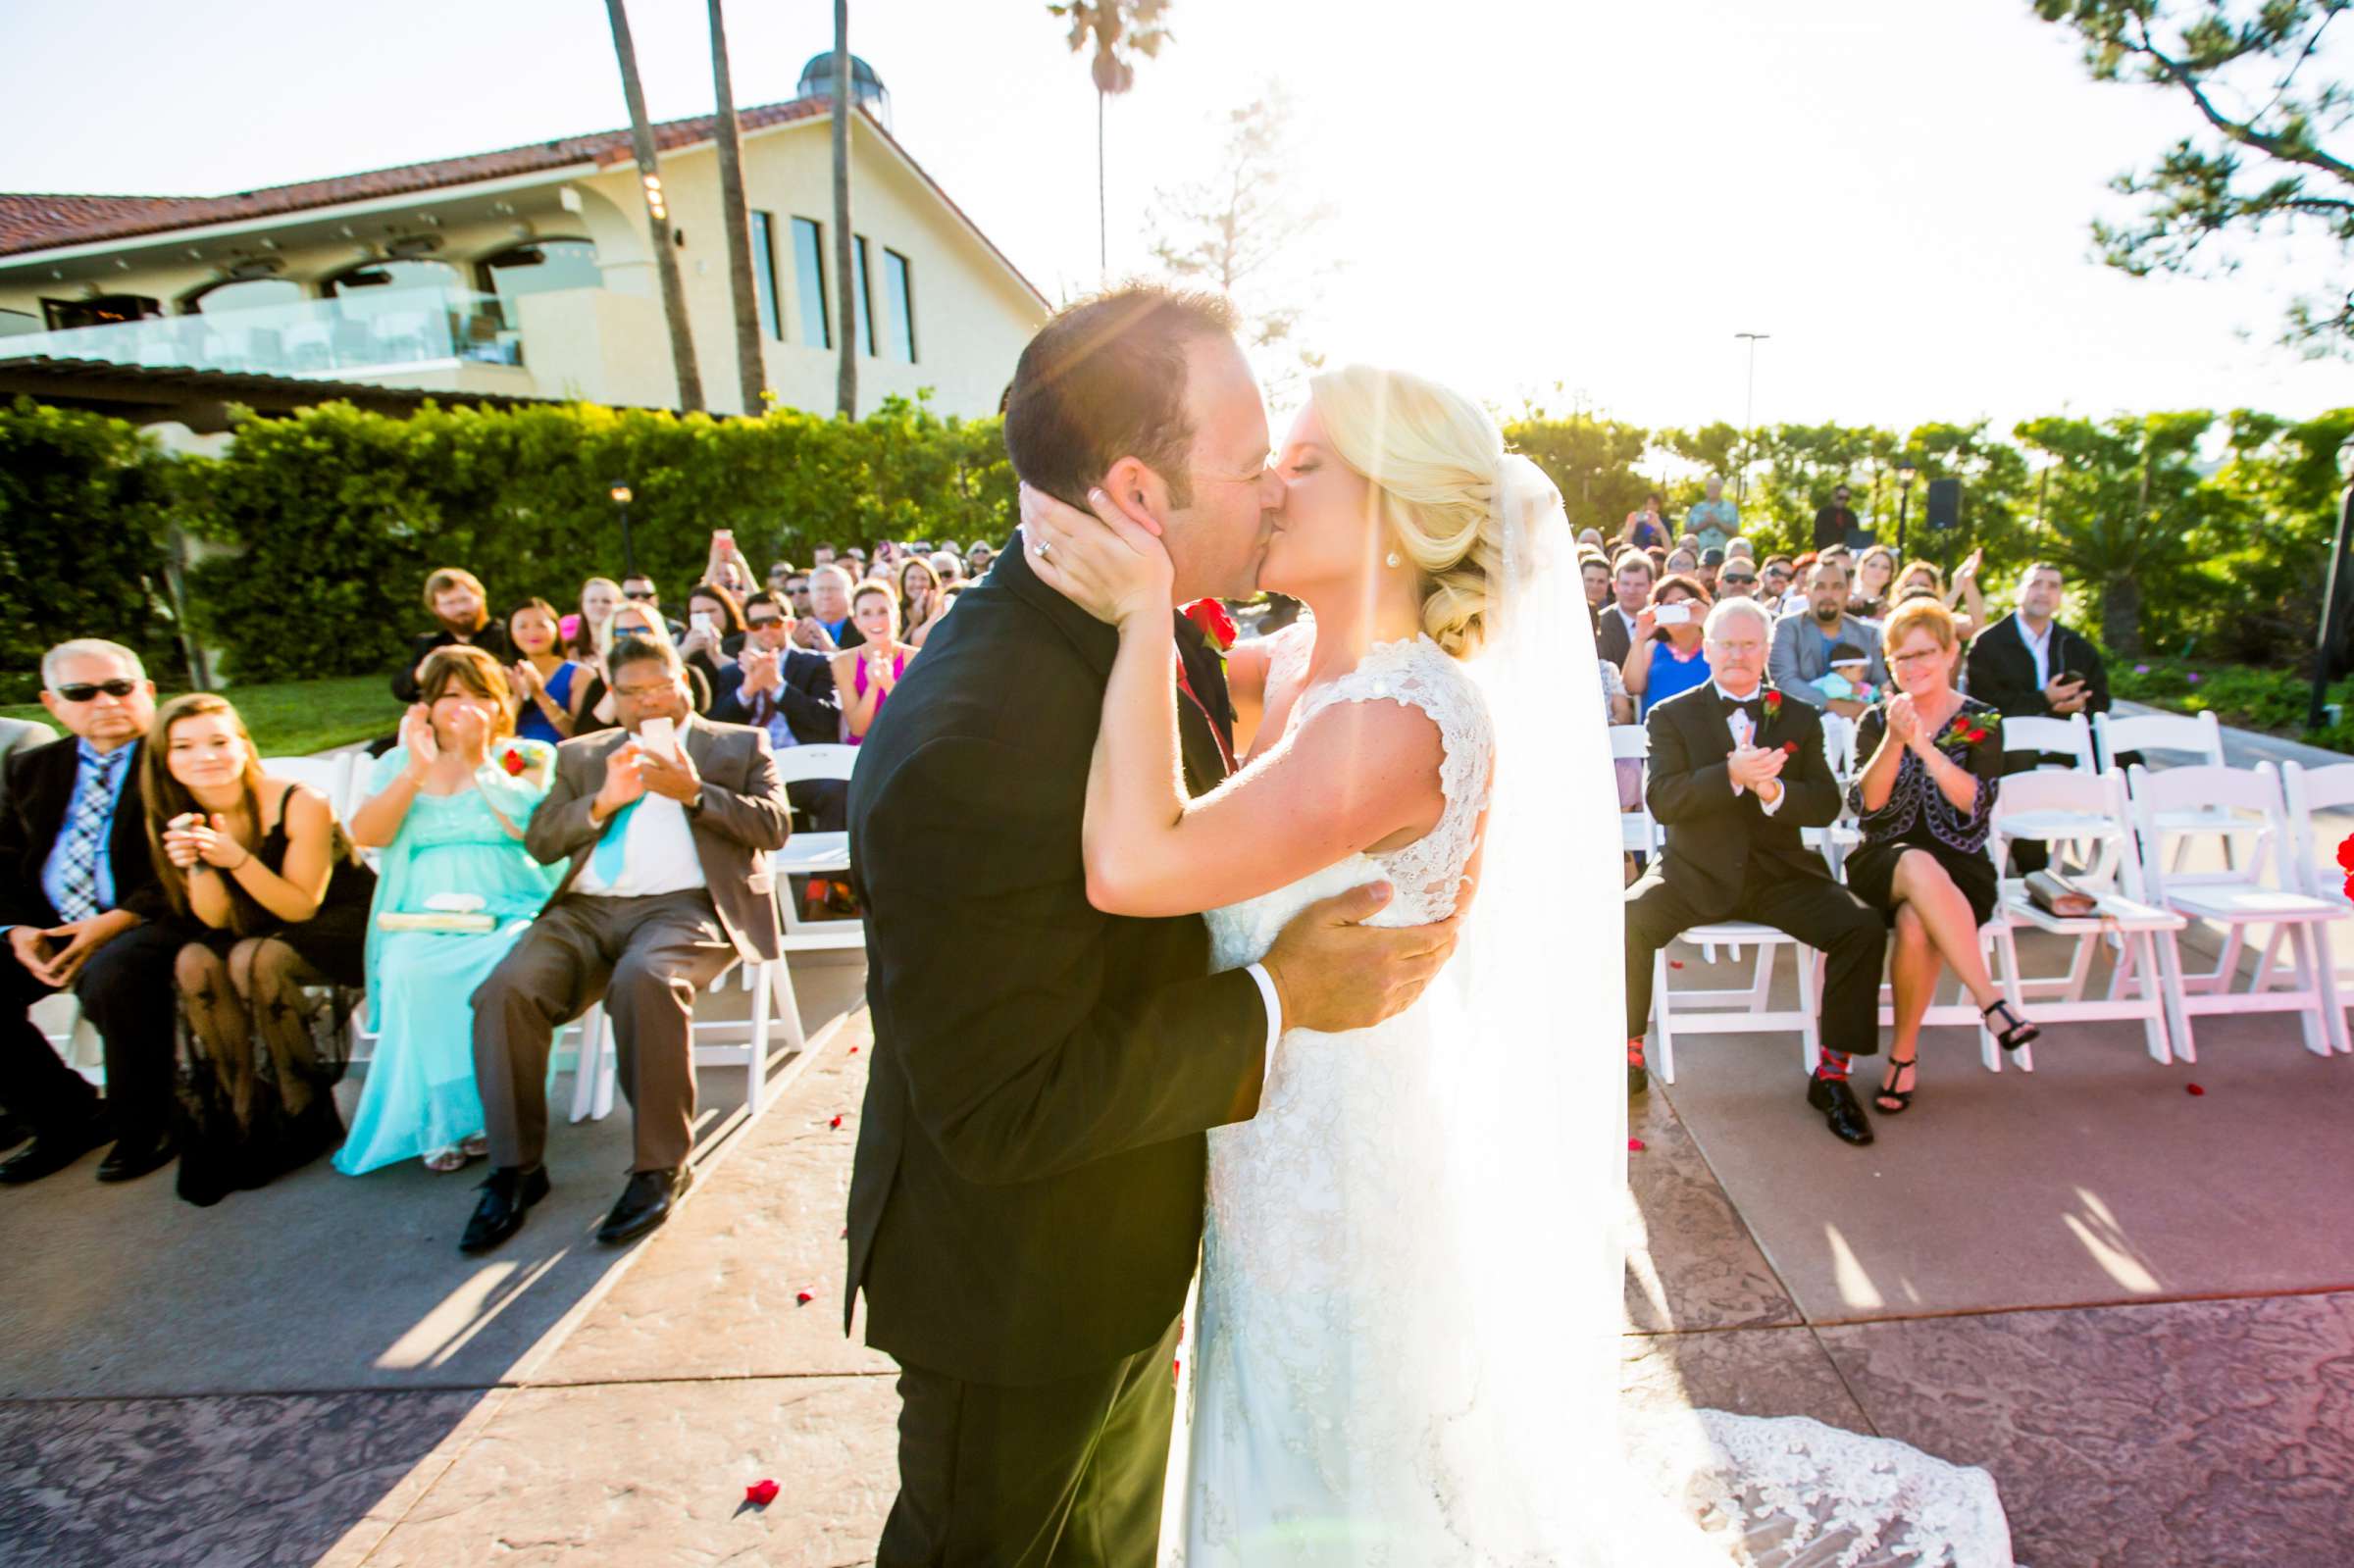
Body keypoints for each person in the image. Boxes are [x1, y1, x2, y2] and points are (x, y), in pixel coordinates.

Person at [1012, 338, 2009, 1560]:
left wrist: (1136, 617)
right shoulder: (1292, 671)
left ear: (1401, 514)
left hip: (1339, 1181)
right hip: (1266, 1148)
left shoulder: (1400, 717)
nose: (1270, 482)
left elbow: (1133, 867)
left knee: (1338, 1488)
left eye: (1307, 461)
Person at [461, 633, 791, 1254]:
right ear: (613, 697)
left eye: (661, 685)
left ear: (684, 680)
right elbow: (541, 841)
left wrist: (695, 794)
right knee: (504, 992)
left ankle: (660, 1165)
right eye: (633, 692)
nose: (650, 701)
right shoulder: (582, 754)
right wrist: (602, 802)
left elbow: (773, 826)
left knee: (646, 980)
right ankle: (516, 1168)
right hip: (584, 913)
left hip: (686, 908)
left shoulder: (736, 743)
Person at [1626, 599, 1889, 1146]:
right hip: (1692, 872)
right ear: (1708, 647)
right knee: (1627, 917)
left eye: (1750, 645)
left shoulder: (1798, 715)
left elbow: (1822, 805)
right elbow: (1663, 801)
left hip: (1780, 876)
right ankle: (1629, 1054)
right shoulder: (1670, 714)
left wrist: (1774, 790)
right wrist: (1727, 774)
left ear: (1767, 651)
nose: (1738, 655)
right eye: (1726, 644)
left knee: (1861, 926)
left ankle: (1833, 1074)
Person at [145, 694, 377, 1205]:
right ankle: (244, 1112)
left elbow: (300, 907)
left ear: (242, 746)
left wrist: (233, 858)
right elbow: (215, 919)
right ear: (164, 757)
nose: (205, 756)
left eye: (218, 741)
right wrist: (200, 866)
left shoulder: (300, 801)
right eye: (184, 746)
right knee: (194, 962)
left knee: (256, 959)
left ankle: (304, 1109)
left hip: (336, 918)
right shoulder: (171, 814)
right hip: (249, 921)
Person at [339, 648, 562, 1174]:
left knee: (503, 966)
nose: (466, 707)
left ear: (501, 702)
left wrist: (482, 760)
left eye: (481, 694)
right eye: (452, 696)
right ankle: (440, 1118)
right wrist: (414, 772)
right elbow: (368, 834)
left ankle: (490, 1108)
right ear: (428, 705)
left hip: (510, 902)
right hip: (420, 911)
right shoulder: (399, 761)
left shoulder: (524, 756)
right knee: (411, 970)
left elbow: (528, 833)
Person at [0, 641, 186, 1185]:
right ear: (51, 704)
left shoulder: (178, 754)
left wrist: (118, 920)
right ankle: (66, 1116)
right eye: (82, 692)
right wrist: (16, 930)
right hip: (55, 923)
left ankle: (148, 1121)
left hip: (158, 918)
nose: (104, 702)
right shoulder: (33, 768)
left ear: (147, 691)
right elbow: (4, 858)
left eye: (119, 687)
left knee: (114, 973)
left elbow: (195, 858)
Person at [1845, 600, 2039, 1120]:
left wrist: (1926, 749)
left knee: (1916, 925)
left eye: (1924, 654)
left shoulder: (1982, 721)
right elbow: (1866, 805)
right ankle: (1991, 1002)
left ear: (1951, 652)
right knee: (1915, 866)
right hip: (1882, 865)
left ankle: (1902, 1057)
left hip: (1963, 871)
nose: (1912, 667)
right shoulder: (1875, 719)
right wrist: (1894, 736)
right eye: (1899, 658)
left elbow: (1976, 803)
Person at [712, 590, 845, 831]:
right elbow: (717, 726)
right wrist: (747, 690)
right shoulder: (732, 673)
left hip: (805, 766)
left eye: (772, 622)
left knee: (838, 792)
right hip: (750, 773)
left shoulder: (816, 663)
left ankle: (829, 869)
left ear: (790, 624)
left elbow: (826, 719)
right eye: (756, 624)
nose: (765, 630)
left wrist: (777, 686)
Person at [1771, 558, 1890, 721]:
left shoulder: (1868, 633)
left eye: (1837, 587)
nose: (1828, 594)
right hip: (1802, 725)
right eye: (1820, 587)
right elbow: (1784, 681)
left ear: (1848, 592)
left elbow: (1882, 684)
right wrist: (1833, 705)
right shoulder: (1789, 628)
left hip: (1860, 729)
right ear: (1807, 592)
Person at [392, 568, 509, 705]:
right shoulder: (431, 644)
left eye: (465, 600)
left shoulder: (508, 635)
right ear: (436, 608)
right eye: (449, 603)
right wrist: (420, 674)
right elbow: (401, 689)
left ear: (480, 598)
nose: (460, 609)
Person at [1621, 573, 1714, 718]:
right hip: (1660, 731)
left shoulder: (1714, 643)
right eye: (1669, 604)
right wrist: (1639, 638)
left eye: (1682, 601)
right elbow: (1631, 688)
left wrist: (1708, 623)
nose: (1676, 607)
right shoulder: (1652, 647)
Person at [832, 583, 915, 744]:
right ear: (857, 622)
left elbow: (914, 720)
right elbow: (857, 729)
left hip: (906, 745)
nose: (876, 620)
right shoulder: (842, 662)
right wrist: (872, 687)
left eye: (883, 611)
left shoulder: (916, 657)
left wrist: (889, 684)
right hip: (862, 750)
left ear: (896, 616)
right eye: (866, 613)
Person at [507, 598, 585, 745]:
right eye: (522, 626)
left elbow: (577, 735)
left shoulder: (579, 674)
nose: (532, 633)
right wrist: (517, 697)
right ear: (511, 633)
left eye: (541, 625)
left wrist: (539, 694)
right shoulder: (503, 674)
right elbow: (495, 732)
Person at [679, 581, 748, 695]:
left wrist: (716, 656)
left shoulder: (744, 639)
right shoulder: (683, 639)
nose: (706, 618)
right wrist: (685, 650)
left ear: (727, 611)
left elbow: (746, 678)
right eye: (697, 613)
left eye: (711, 611)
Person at [1594, 547, 1656, 667]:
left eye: (1639, 584)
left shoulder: (1661, 621)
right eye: (1625, 584)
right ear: (1615, 585)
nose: (1631, 591)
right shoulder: (1600, 623)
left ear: (1651, 586)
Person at [795, 564, 865, 653]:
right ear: (810, 594)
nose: (826, 595)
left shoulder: (865, 628)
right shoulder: (798, 632)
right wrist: (797, 648)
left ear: (849, 594)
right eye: (819, 589)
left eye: (833, 589)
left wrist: (830, 650)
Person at [896, 556, 949, 649]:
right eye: (912, 578)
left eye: (923, 579)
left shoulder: (941, 610)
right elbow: (892, 650)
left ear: (932, 583)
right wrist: (914, 623)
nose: (918, 584)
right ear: (903, 582)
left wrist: (931, 616)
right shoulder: (896, 611)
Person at [565, 577, 622, 658]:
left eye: (606, 601)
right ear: (582, 605)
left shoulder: (628, 648)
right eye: (592, 601)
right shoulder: (567, 650)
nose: (600, 605)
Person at [619, 573, 686, 641]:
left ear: (656, 599)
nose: (640, 599)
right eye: (632, 595)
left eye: (647, 595)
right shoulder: (610, 630)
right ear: (620, 600)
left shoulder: (676, 629)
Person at [1813, 641, 1879, 707]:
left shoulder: (1855, 683)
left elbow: (1869, 691)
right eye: (1861, 670)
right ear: (1843, 669)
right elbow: (1830, 690)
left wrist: (1878, 692)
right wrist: (1851, 689)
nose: (1863, 674)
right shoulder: (1832, 679)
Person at [1686, 474, 1738, 553]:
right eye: (1709, 486)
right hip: (1699, 553)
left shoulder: (1730, 508)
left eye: (1715, 487)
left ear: (1720, 489)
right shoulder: (1697, 508)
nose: (1711, 489)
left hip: (1722, 552)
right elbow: (1687, 531)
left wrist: (1717, 522)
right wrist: (1703, 524)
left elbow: (1735, 532)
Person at [1850, 544, 1899, 619]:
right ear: (1862, 569)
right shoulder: (1846, 602)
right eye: (1873, 565)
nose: (1878, 571)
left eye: (1885, 567)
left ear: (1890, 576)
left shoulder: (1893, 610)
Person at [1812, 482, 1861, 550]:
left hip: (1847, 552)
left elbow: (1856, 536)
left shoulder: (1851, 515)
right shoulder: (1823, 513)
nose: (1843, 501)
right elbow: (1818, 536)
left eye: (1847, 498)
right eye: (1840, 497)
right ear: (1833, 496)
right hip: (1827, 552)